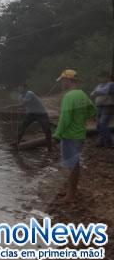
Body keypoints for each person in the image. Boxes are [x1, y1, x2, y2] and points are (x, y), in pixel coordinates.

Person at [53, 69, 96, 204]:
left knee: (72, 165)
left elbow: (65, 118)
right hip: (79, 134)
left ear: (68, 80)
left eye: (62, 81)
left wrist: (57, 135)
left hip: (70, 136)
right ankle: (71, 191)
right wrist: (81, 118)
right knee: (74, 163)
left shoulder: (69, 96)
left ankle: (70, 195)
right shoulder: (82, 94)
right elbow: (93, 110)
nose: (61, 83)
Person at [9, 83, 52, 150]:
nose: (19, 89)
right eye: (19, 88)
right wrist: (20, 109)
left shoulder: (30, 93)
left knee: (46, 129)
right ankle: (17, 141)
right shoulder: (20, 97)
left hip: (41, 113)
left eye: (21, 88)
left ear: (26, 88)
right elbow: (25, 106)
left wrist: (12, 106)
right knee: (22, 126)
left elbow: (24, 104)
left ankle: (49, 147)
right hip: (31, 113)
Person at [89, 71, 114, 148]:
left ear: (107, 77)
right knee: (98, 125)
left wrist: (96, 92)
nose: (100, 79)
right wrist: (96, 93)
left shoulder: (111, 84)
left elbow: (104, 91)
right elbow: (92, 94)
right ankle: (102, 141)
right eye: (99, 77)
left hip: (107, 106)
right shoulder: (99, 85)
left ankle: (110, 143)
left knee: (103, 123)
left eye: (102, 77)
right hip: (99, 106)